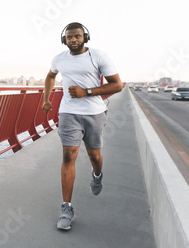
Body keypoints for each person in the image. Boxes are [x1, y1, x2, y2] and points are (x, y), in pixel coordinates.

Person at [42, 22, 123, 231]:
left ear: (84, 37)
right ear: (64, 39)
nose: (73, 40)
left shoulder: (98, 56)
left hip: (94, 113)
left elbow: (116, 84)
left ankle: (97, 175)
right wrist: (47, 98)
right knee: (69, 155)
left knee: (94, 155)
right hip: (68, 112)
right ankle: (66, 209)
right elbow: (50, 76)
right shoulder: (59, 59)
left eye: (77, 36)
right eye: (69, 37)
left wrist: (86, 92)